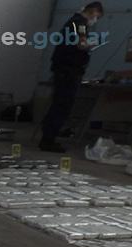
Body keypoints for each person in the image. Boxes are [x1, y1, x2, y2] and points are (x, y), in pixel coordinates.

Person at [39, 2, 105, 152]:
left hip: (66, 69)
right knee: (62, 105)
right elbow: (82, 45)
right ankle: (48, 139)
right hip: (68, 71)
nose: (96, 20)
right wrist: (95, 42)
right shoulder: (78, 24)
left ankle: (50, 135)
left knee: (61, 104)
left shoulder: (74, 23)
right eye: (98, 17)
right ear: (93, 11)